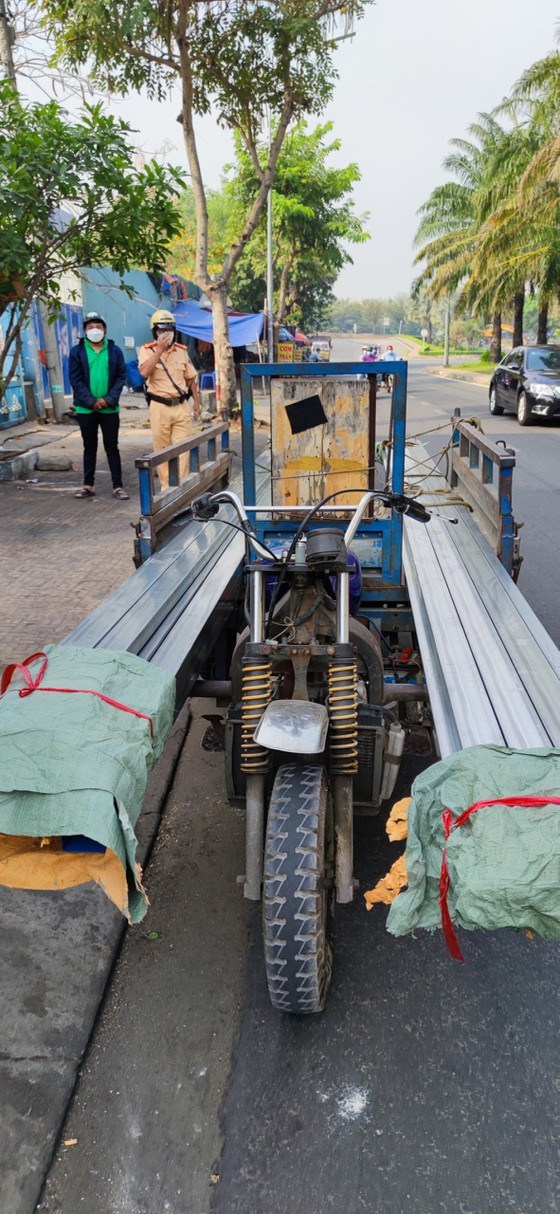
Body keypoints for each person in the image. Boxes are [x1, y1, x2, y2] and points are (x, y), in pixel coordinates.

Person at [138, 309, 201, 490]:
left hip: (181, 406)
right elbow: (144, 372)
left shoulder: (181, 351)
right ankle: (166, 489)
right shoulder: (147, 350)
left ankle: (182, 488)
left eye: (169, 329)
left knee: (184, 449)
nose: (166, 333)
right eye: (161, 330)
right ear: (154, 332)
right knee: (162, 450)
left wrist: (196, 404)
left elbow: (190, 379)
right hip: (159, 406)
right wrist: (158, 351)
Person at [69, 312, 128, 500]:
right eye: (90, 327)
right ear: (85, 330)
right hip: (86, 409)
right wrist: (91, 401)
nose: (95, 330)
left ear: (105, 329)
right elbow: (75, 380)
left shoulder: (115, 351)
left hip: (109, 408)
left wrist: (107, 400)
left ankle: (118, 486)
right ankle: (88, 485)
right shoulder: (77, 352)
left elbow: (121, 377)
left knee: (112, 447)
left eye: (98, 326)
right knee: (89, 447)